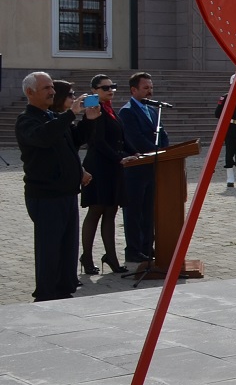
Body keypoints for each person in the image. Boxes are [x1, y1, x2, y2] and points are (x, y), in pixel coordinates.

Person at [18, 72, 99, 300]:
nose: (52, 91)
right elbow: (43, 138)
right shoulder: (27, 120)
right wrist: (69, 114)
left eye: (52, 87)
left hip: (66, 193)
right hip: (45, 196)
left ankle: (64, 289)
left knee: (67, 248)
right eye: (46, 88)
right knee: (50, 249)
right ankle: (46, 294)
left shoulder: (53, 116)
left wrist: (88, 120)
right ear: (30, 92)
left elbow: (75, 140)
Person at [118, 71, 168, 266]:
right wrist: (155, 151)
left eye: (151, 88)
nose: (150, 91)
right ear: (134, 90)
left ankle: (148, 247)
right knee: (134, 212)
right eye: (145, 88)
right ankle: (134, 249)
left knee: (149, 211)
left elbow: (162, 133)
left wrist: (164, 150)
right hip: (136, 170)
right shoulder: (127, 111)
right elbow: (135, 139)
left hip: (152, 169)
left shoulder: (154, 110)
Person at [79, 74, 126, 275]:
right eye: (105, 87)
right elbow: (97, 141)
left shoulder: (109, 109)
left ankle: (111, 257)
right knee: (96, 211)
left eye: (112, 86)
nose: (110, 90)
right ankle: (86, 257)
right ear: (94, 91)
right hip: (97, 166)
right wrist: (118, 158)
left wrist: (133, 154)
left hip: (112, 167)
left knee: (110, 211)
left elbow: (119, 137)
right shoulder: (93, 107)